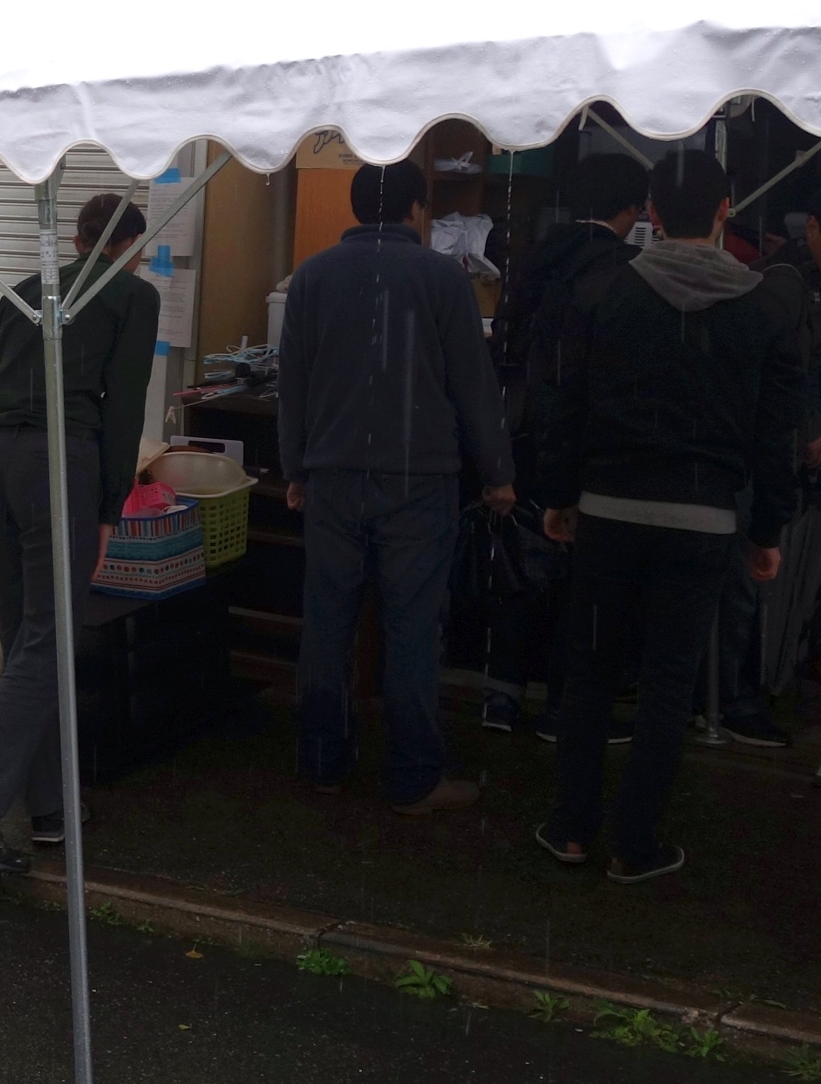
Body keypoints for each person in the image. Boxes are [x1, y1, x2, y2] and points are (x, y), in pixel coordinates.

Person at [532, 152, 801, 882]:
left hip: (609, 511)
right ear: (723, 213)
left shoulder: (604, 293)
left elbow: (567, 406)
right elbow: (776, 434)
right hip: (705, 520)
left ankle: (572, 828)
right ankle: (636, 844)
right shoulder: (763, 309)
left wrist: (558, 496)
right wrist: (768, 529)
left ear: (651, 212)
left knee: (591, 671)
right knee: (669, 682)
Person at [0, 195, 157, 874]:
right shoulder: (130, 298)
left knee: (31, 636)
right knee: (51, 639)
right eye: (138, 249)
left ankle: (51, 807)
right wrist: (111, 507)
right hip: (61, 463)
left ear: (80, 239)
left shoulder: (19, 293)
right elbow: (124, 411)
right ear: (128, 243)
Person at [278, 161, 510, 815]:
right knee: (411, 629)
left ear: (357, 211)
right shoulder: (444, 279)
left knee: (327, 623)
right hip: (419, 480)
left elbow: (292, 382)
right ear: (416, 210)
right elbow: (474, 386)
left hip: (331, 476)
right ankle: (412, 777)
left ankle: (322, 760)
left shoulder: (312, 278)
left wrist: (294, 469)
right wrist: (498, 474)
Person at [483, 151, 648, 736]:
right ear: (633, 208)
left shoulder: (532, 260)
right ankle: (561, 710)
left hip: (520, 434)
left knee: (517, 570)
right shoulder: (627, 271)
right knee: (583, 585)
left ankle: (500, 698)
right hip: (588, 442)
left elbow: (504, 348)